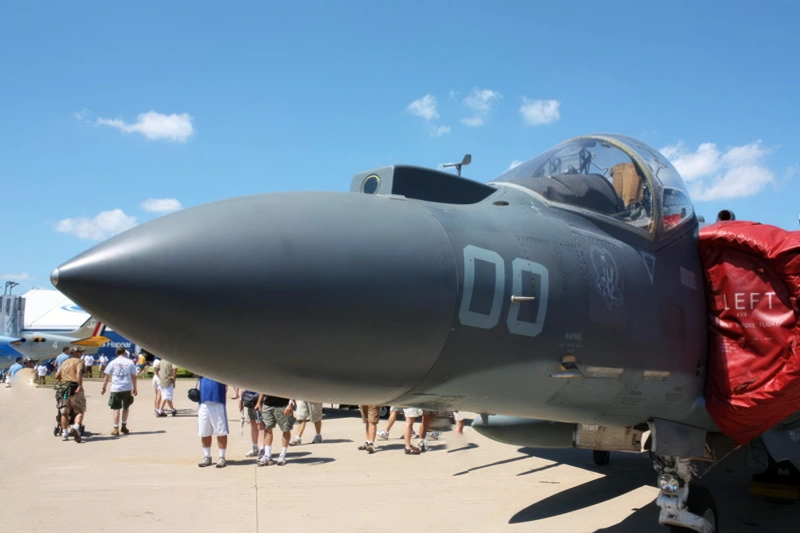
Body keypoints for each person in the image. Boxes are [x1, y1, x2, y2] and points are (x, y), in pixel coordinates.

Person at [101, 346, 138, 436]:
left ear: (116, 353)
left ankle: (115, 428)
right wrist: (135, 388)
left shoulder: (113, 362)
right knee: (126, 407)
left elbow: (107, 376)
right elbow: (134, 376)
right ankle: (124, 426)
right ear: (125, 352)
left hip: (116, 388)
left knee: (116, 408)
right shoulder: (130, 362)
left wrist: (104, 387)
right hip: (127, 388)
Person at [55, 348, 86, 443]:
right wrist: (79, 386)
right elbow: (79, 372)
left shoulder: (65, 362)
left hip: (63, 389)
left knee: (64, 412)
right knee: (79, 410)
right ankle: (76, 427)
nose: (81, 354)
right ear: (76, 353)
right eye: (80, 352)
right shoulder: (79, 361)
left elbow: (57, 376)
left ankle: (65, 433)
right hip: (74, 388)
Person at [255, 393, 296, 466]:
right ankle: (267, 455)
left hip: (283, 405)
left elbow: (292, 388)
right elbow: (263, 389)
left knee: (285, 429)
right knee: (267, 429)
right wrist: (259, 403)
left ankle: (282, 456)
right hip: (268, 405)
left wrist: (290, 404)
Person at [197, 376, 229, 468]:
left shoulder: (219, 367)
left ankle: (222, 457)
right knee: (204, 431)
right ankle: (207, 456)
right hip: (203, 402)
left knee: (221, 431)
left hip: (218, 400)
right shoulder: (202, 366)